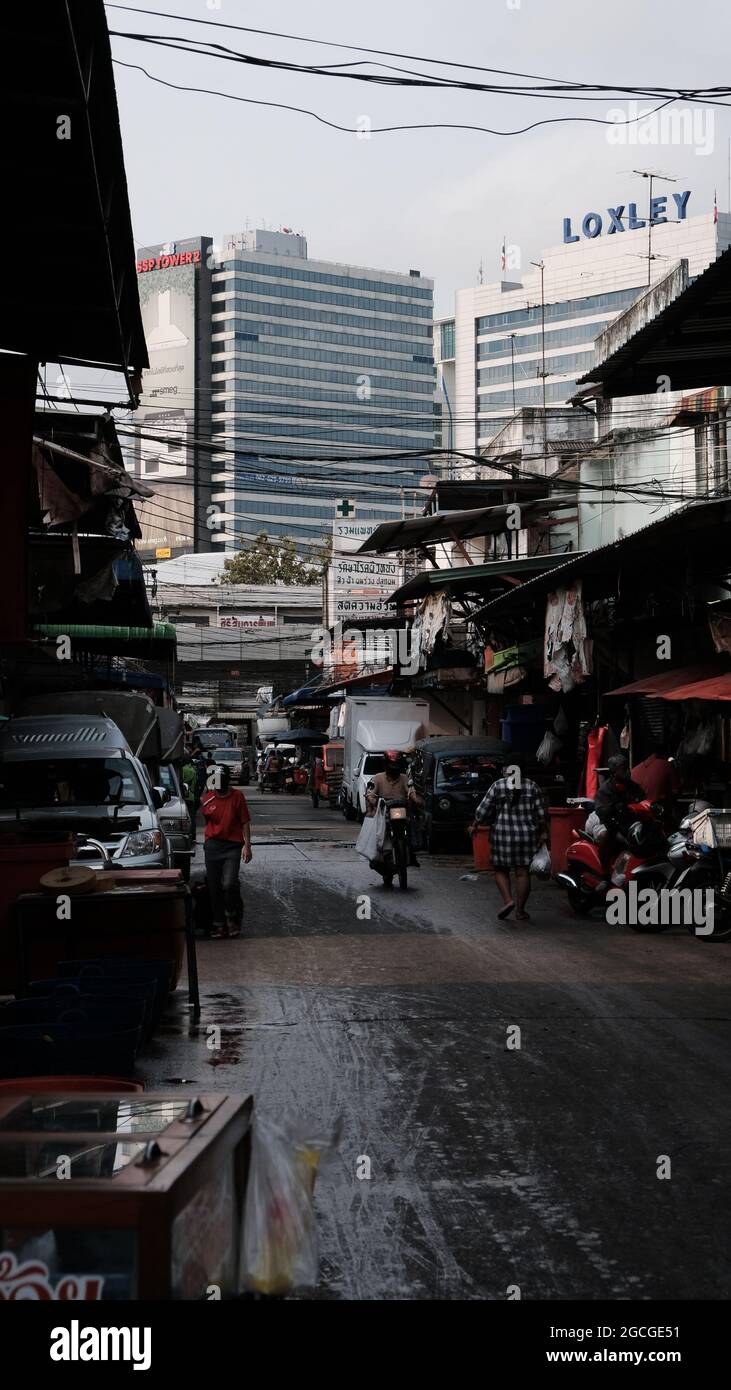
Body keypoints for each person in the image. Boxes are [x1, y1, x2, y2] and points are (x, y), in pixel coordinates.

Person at [469, 756, 547, 921]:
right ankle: (520, 911)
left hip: (502, 836)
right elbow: (541, 816)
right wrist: (543, 833)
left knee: (500, 870)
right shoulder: (532, 787)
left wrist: (475, 824)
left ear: (506, 769)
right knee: (522, 872)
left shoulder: (498, 785)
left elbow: (482, 811)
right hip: (527, 837)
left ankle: (508, 900)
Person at [200, 766, 253, 938]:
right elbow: (207, 817)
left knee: (229, 884)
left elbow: (245, 821)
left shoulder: (238, 796)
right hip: (213, 847)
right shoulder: (207, 798)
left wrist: (247, 846)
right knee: (214, 887)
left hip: (232, 847)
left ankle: (231, 917)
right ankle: (218, 924)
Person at [366, 750, 422, 867]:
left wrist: (416, 800)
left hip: (402, 812)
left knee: (413, 823)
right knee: (376, 830)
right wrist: (373, 800)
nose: (394, 767)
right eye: (391, 765)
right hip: (384, 813)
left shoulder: (404, 778)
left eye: (396, 765)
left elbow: (411, 791)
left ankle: (412, 851)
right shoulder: (377, 778)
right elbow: (370, 793)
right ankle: (377, 856)